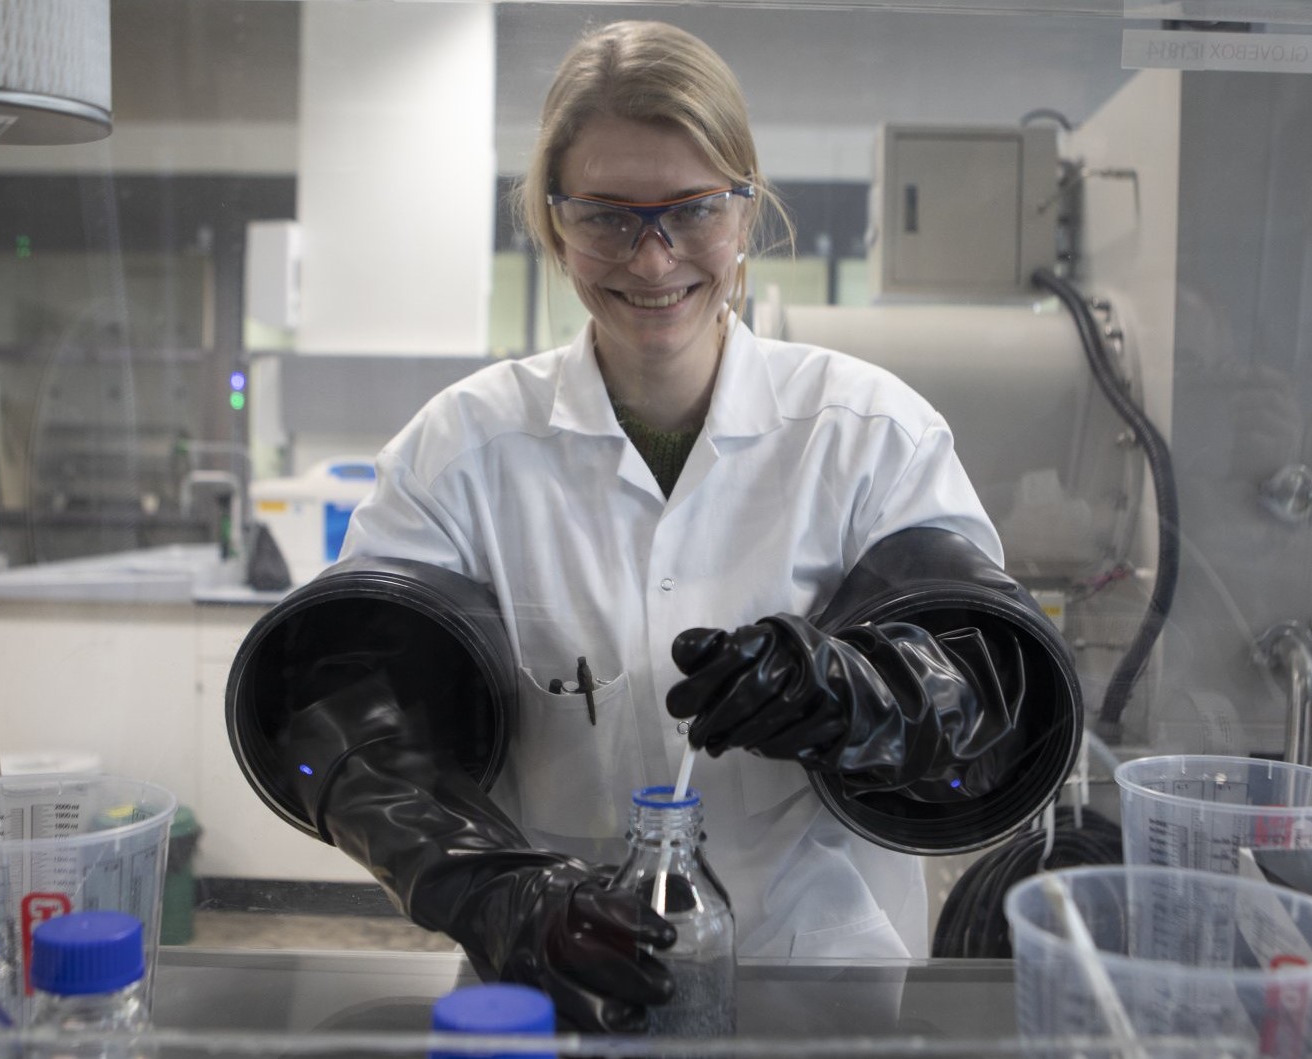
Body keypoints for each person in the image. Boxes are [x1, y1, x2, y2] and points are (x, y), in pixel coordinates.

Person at [278, 20, 1031, 1032]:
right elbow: (353, 733)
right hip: (546, 987)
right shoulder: (460, 451)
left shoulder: (872, 436)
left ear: (746, 210)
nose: (652, 255)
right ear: (552, 222)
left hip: (817, 989)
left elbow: (987, 694)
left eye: (689, 211)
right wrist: (503, 897)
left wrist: (852, 692)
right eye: (606, 217)